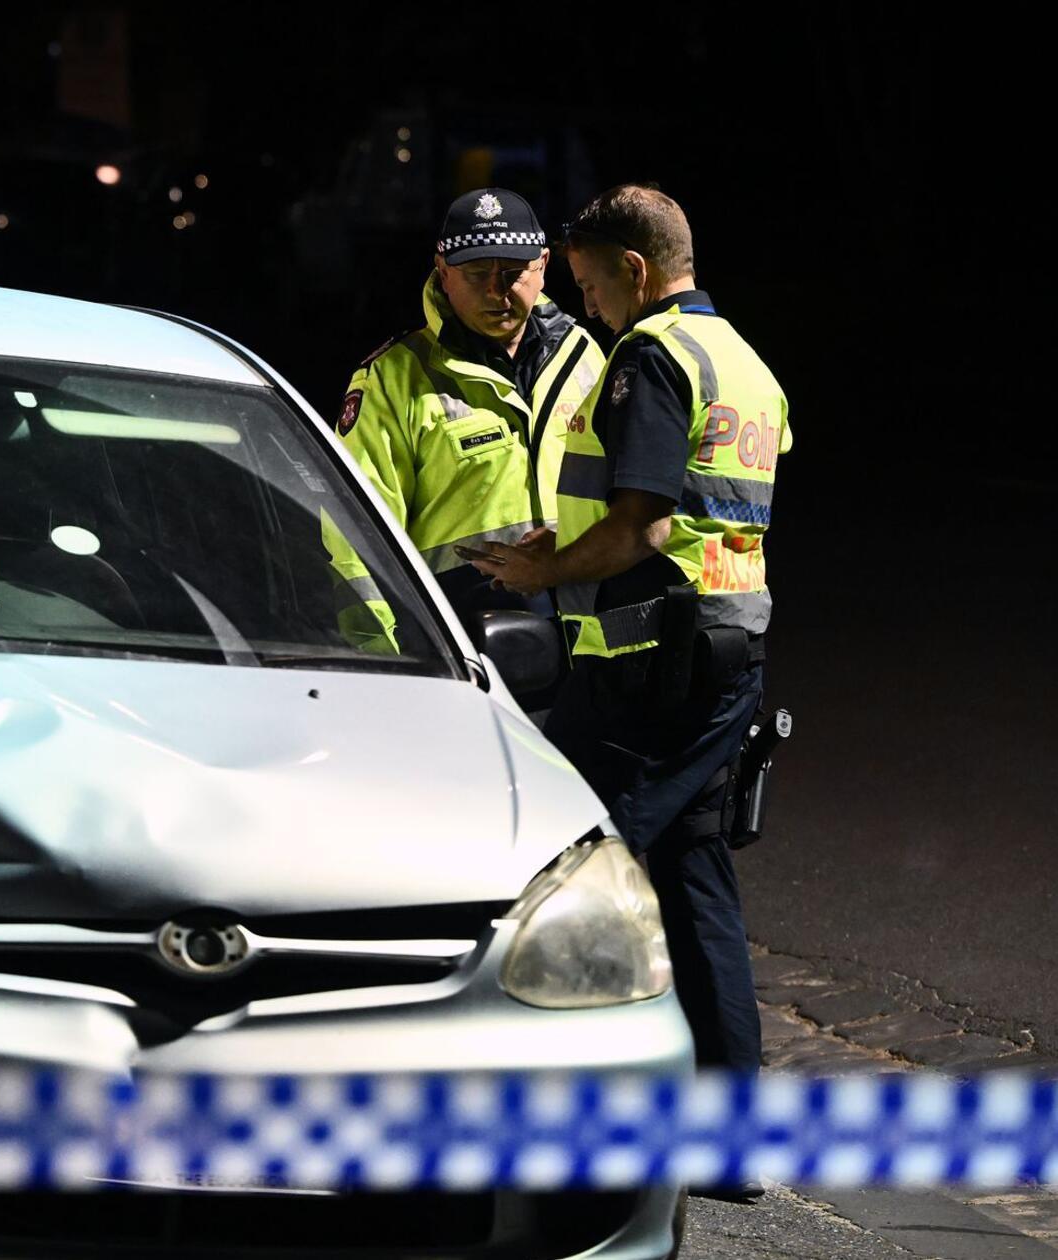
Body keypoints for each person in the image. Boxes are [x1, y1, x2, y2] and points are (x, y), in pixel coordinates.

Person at [469, 187, 789, 1184]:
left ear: (635, 271)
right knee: (697, 888)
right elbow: (711, 510)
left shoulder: (649, 355)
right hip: (729, 649)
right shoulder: (743, 361)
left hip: (652, 660)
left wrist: (540, 572)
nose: (589, 304)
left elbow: (645, 524)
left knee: (571, 881)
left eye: (590, 282)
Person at [337, 187, 601, 618]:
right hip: (460, 644)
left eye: (514, 272)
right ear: (443, 273)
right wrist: (379, 651)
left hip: (586, 642)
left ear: (544, 266)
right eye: (478, 273)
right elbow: (356, 535)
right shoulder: (394, 378)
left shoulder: (584, 357)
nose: (498, 291)